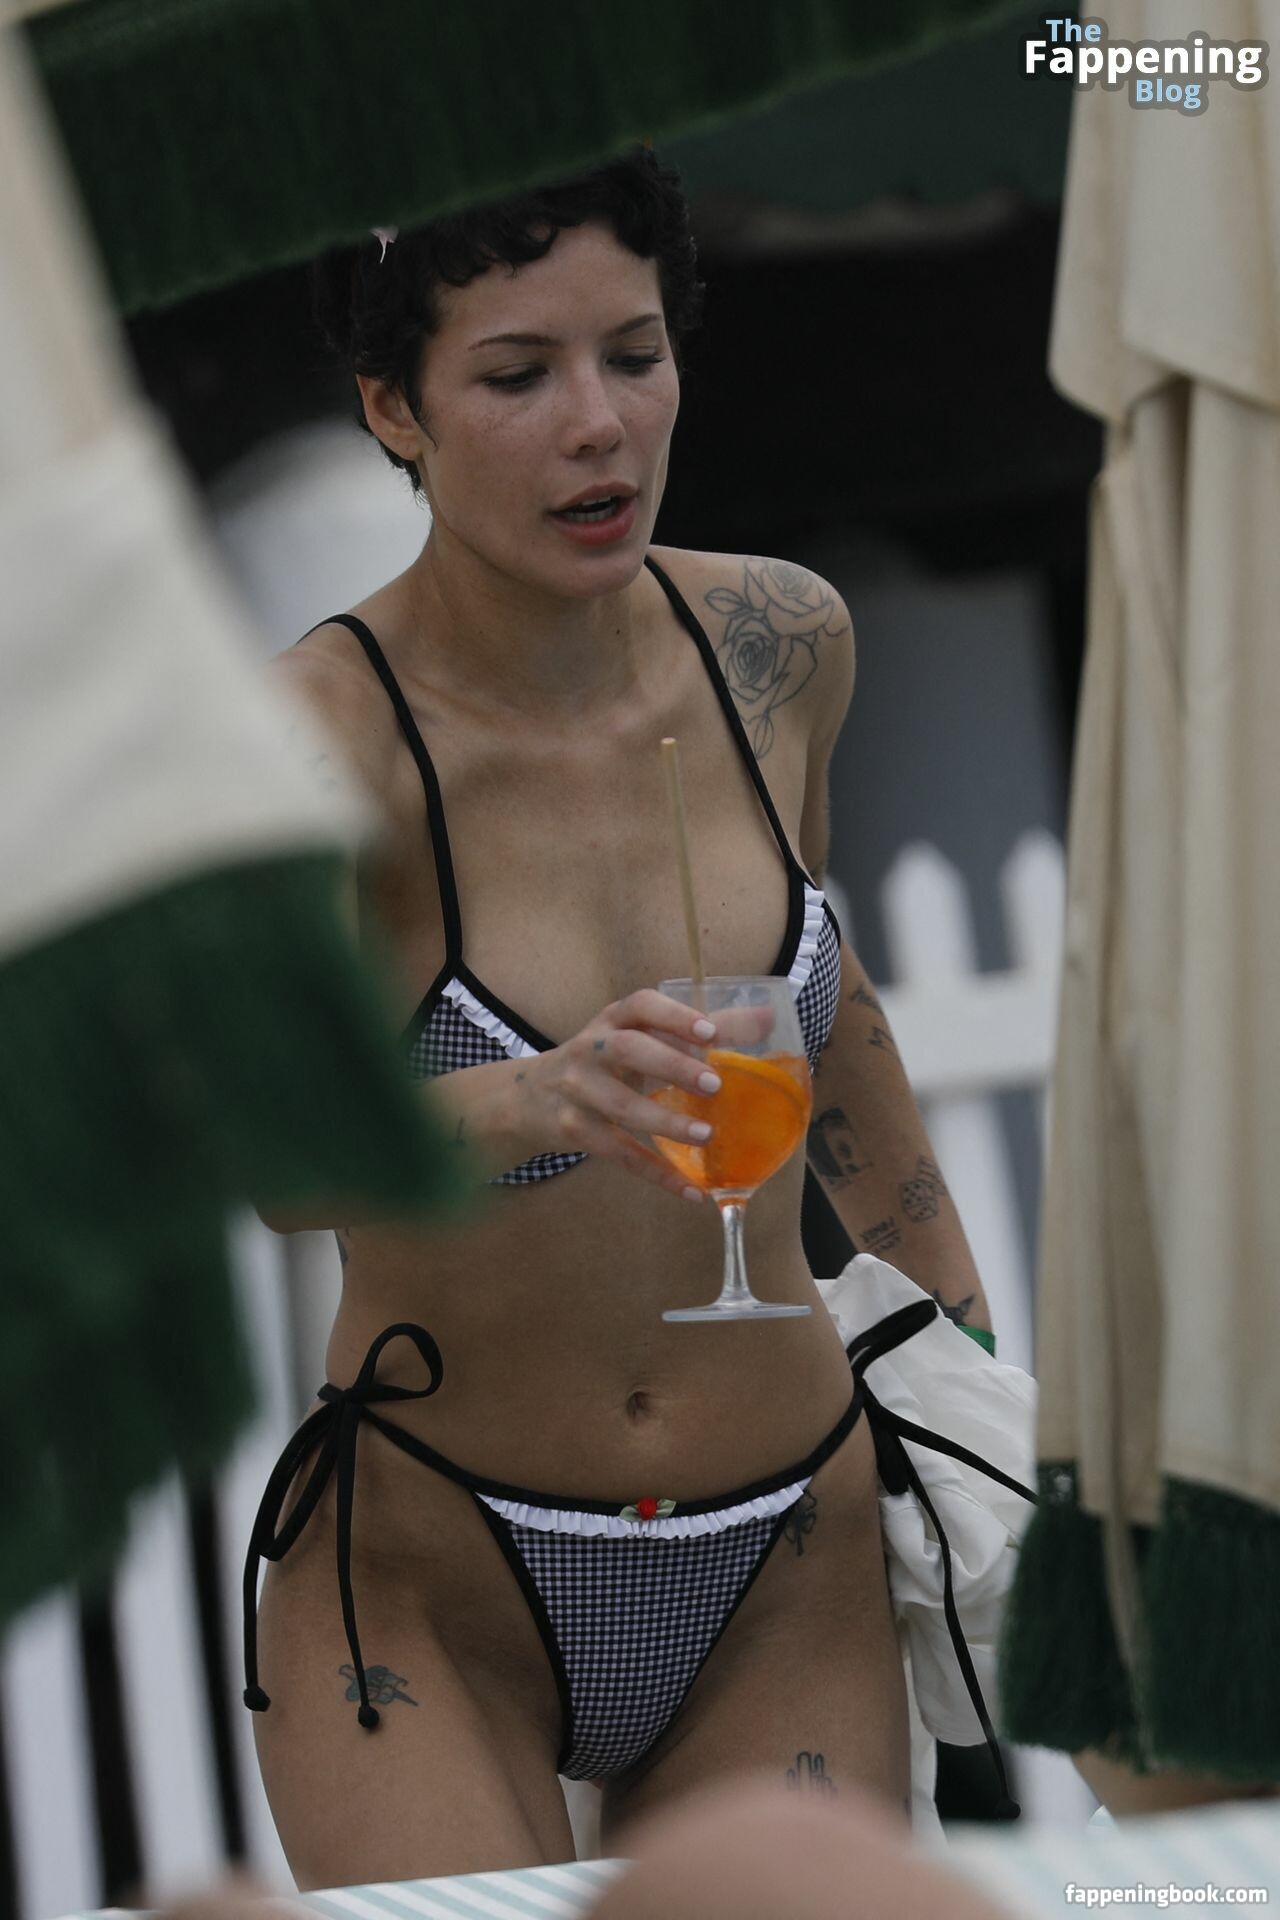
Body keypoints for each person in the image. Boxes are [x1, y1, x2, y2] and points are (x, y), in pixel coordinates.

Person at [242, 148, 1003, 1891]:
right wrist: (541, 1098)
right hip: (433, 1568)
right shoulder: (315, 738)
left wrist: (972, 1366)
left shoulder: (781, 642)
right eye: (518, 375)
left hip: (784, 1543)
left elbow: (838, 1027)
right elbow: (280, 1158)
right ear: (392, 408)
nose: (600, 425)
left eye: (636, 355)